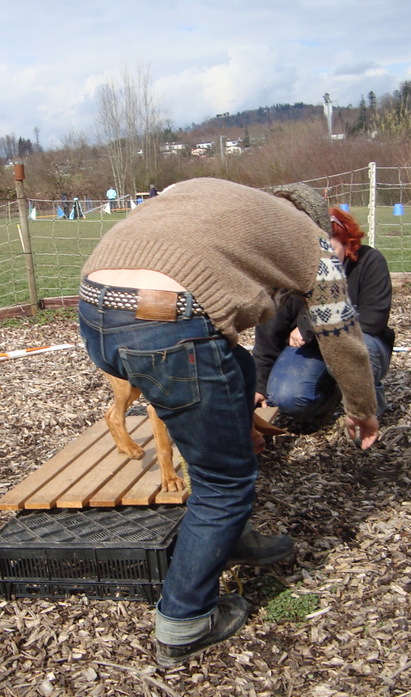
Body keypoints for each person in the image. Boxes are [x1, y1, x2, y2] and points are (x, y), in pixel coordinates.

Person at [77, 178, 379, 667]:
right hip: (167, 324)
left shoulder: (207, 190)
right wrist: (361, 408)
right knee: (225, 481)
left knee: (233, 364)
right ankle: (184, 622)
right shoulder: (312, 240)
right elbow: (341, 335)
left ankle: (231, 538)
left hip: (94, 308)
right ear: (312, 221)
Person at [253, 207, 394, 427]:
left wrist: (309, 328)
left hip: (360, 340)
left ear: (348, 244)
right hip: (311, 348)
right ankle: (329, 396)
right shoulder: (291, 273)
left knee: (360, 347)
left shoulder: (369, 261)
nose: (322, 258)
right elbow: (269, 331)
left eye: (330, 248)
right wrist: (259, 386)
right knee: (285, 397)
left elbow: (372, 319)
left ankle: (366, 409)